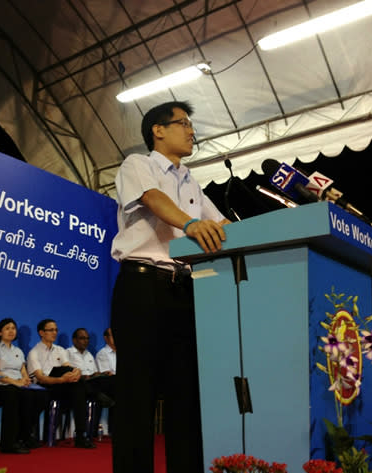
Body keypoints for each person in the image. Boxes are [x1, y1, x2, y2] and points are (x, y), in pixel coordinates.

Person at [110, 101, 229, 473]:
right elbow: (153, 199)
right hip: (142, 286)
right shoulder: (137, 165)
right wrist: (191, 225)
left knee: (186, 396)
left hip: (185, 291)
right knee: (137, 395)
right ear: (157, 130)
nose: (192, 131)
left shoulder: (191, 181)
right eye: (183, 123)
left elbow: (222, 224)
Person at [26, 319, 94, 448]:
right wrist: (63, 379)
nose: (54, 332)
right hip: (44, 387)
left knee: (77, 387)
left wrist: (77, 372)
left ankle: (80, 435)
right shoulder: (33, 353)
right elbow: (41, 378)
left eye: (56, 330)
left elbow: (69, 368)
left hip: (61, 386)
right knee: (74, 381)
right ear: (41, 332)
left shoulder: (60, 350)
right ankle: (92, 392)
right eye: (51, 330)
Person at [0, 318, 48, 453]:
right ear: (0, 332)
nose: (11, 331)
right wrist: (16, 382)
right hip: (2, 386)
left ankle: (24, 436)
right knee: (13, 393)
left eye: (13, 328)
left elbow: (23, 370)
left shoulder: (18, 350)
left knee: (39, 395)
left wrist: (25, 380)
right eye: (7, 328)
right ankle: (8, 443)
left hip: (18, 385)